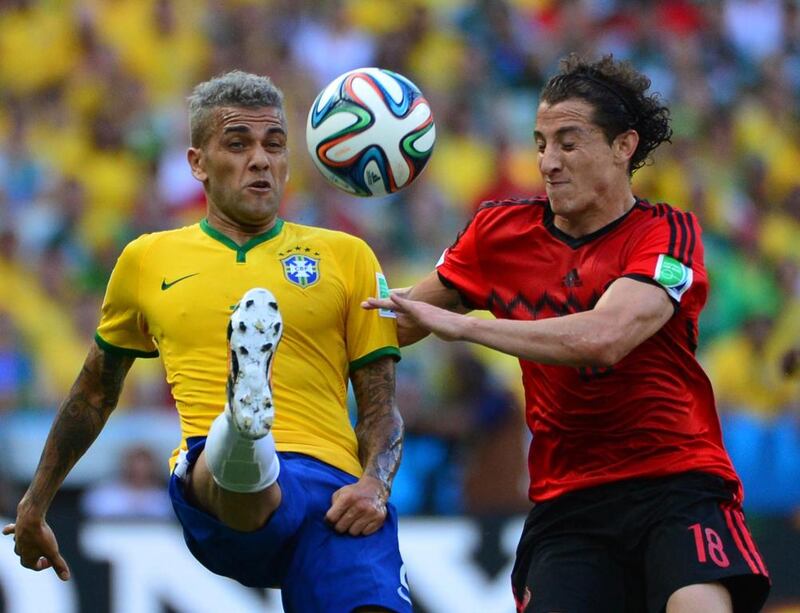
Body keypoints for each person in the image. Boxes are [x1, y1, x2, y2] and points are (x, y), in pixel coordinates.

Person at [366, 53, 771, 613]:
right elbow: (399, 319)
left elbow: (604, 337)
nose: (549, 162)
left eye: (568, 142)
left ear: (623, 146)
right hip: (570, 501)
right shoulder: (499, 233)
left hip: (675, 484)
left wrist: (466, 327)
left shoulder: (666, 234)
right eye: (539, 144)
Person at [4, 70, 410, 613]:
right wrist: (35, 502)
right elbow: (94, 393)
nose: (260, 160)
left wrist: (373, 486)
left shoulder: (347, 255)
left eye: (273, 144)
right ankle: (243, 430)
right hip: (218, 490)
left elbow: (381, 406)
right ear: (197, 163)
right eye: (237, 144)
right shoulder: (149, 259)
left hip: (336, 493)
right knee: (243, 478)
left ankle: (244, 426)